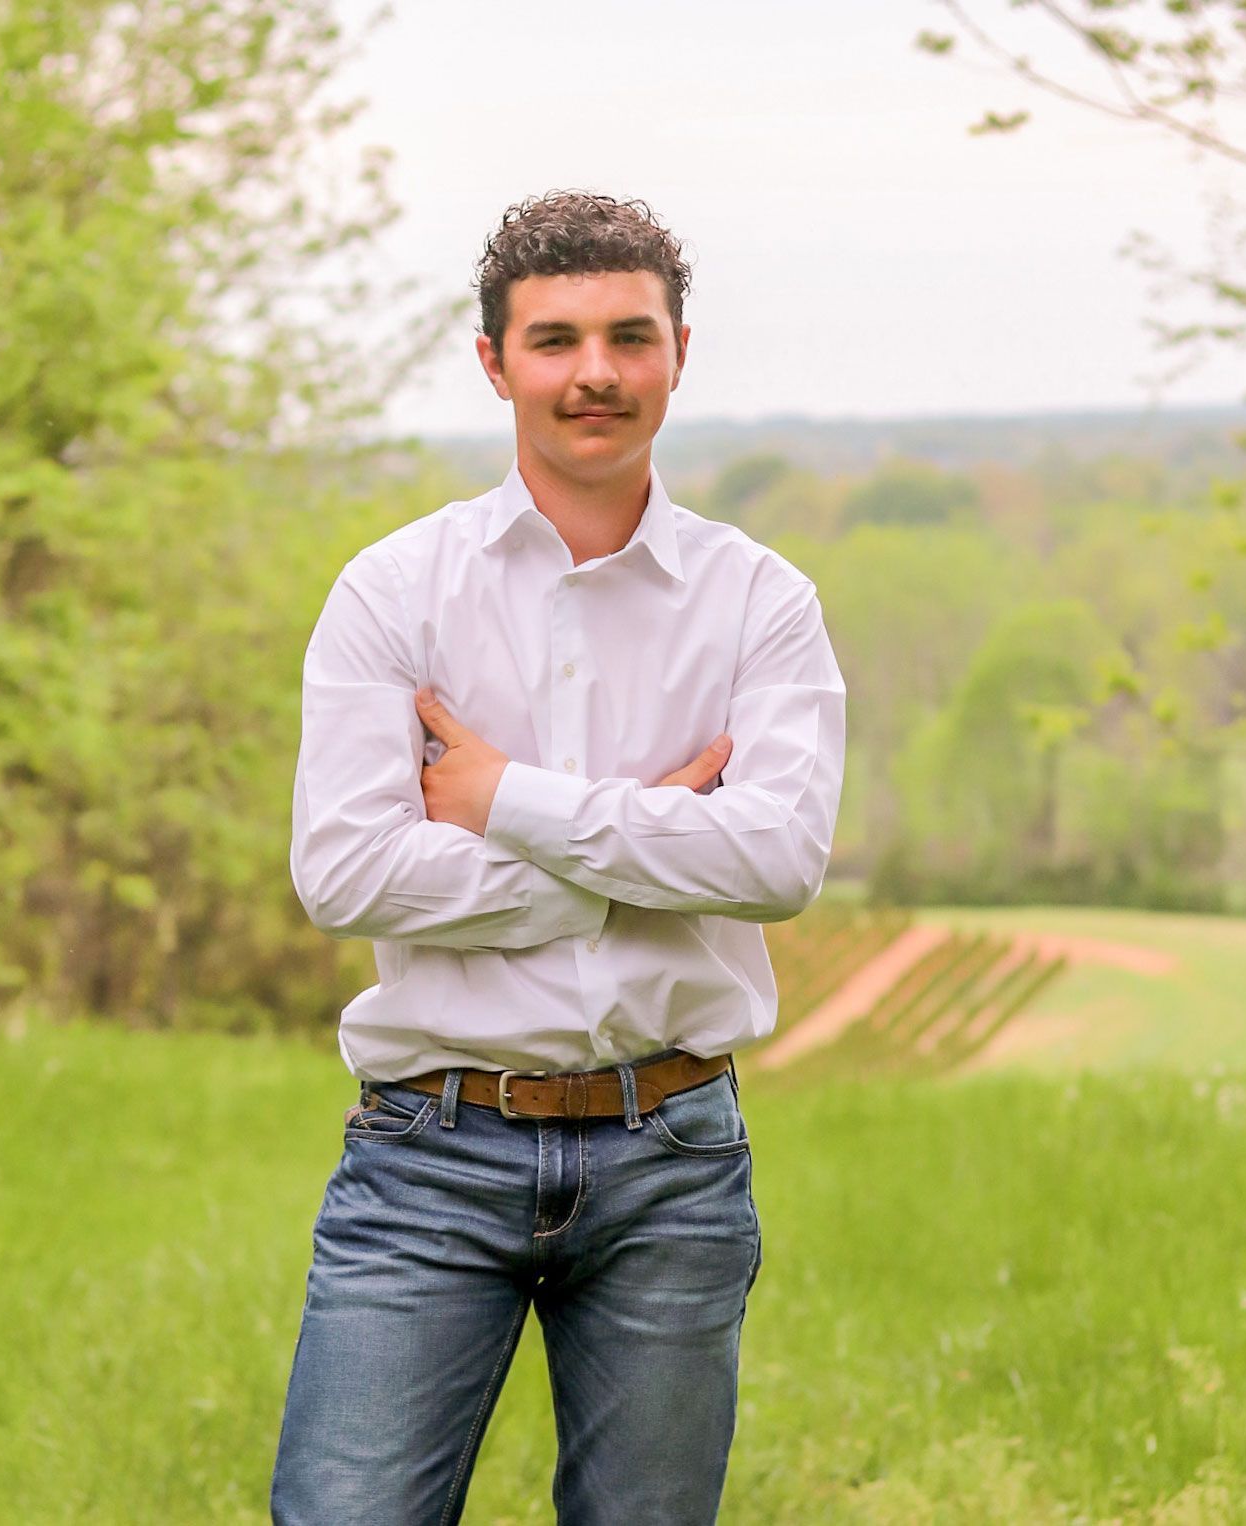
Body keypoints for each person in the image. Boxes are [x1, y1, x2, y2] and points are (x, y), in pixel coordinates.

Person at [269, 189, 846, 1525]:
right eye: (555, 340)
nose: (595, 372)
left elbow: (774, 859)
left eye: (628, 336)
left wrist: (501, 797)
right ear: (494, 364)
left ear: (678, 353)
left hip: (672, 1156)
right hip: (427, 1151)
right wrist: (642, 844)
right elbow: (345, 873)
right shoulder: (392, 593)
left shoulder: (760, 601)